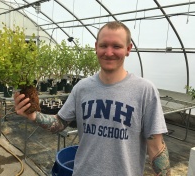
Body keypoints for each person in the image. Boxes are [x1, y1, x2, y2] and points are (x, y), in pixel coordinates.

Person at [14, 21, 171, 176]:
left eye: (116, 46)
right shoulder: (82, 88)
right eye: (103, 45)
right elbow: (60, 123)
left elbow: (156, 147)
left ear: (128, 49)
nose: (109, 52)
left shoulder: (144, 91)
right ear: (96, 47)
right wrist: (33, 115)